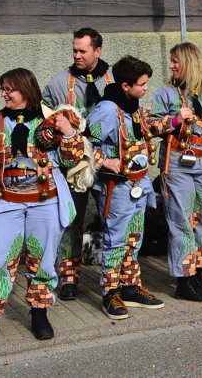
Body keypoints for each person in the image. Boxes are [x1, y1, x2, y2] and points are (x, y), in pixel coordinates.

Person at [0, 68, 84, 345]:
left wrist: (68, 133)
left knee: (42, 260)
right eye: (2, 88)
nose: (4, 94)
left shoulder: (51, 120)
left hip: (45, 203)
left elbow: (72, 160)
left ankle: (39, 312)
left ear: (26, 90)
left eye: (9, 89)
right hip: (6, 203)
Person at [147, 42, 202, 302]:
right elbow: (150, 124)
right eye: (171, 61)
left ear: (190, 63)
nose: (171, 65)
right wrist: (175, 120)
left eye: (176, 61)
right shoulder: (166, 93)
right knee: (182, 221)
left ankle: (197, 272)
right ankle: (183, 281)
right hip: (178, 164)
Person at [87, 55, 164, 320]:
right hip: (115, 188)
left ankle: (130, 287)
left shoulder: (134, 104)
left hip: (138, 184)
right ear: (124, 85)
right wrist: (107, 161)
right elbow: (83, 146)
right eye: (141, 84)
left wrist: (173, 123)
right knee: (115, 241)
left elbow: (143, 129)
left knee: (134, 239)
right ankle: (110, 294)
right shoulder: (107, 110)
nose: (145, 89)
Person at [42, 28, 112, 301]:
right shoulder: (60, 82)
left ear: (98, 51)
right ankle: (68, 277)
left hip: (108, 164)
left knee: (112, 220)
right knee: (71, 221)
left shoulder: (116, 80)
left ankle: (113, 277)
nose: (77, 55)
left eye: (83, 51)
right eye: (75, 50)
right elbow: (44, 121)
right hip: (73, 167)